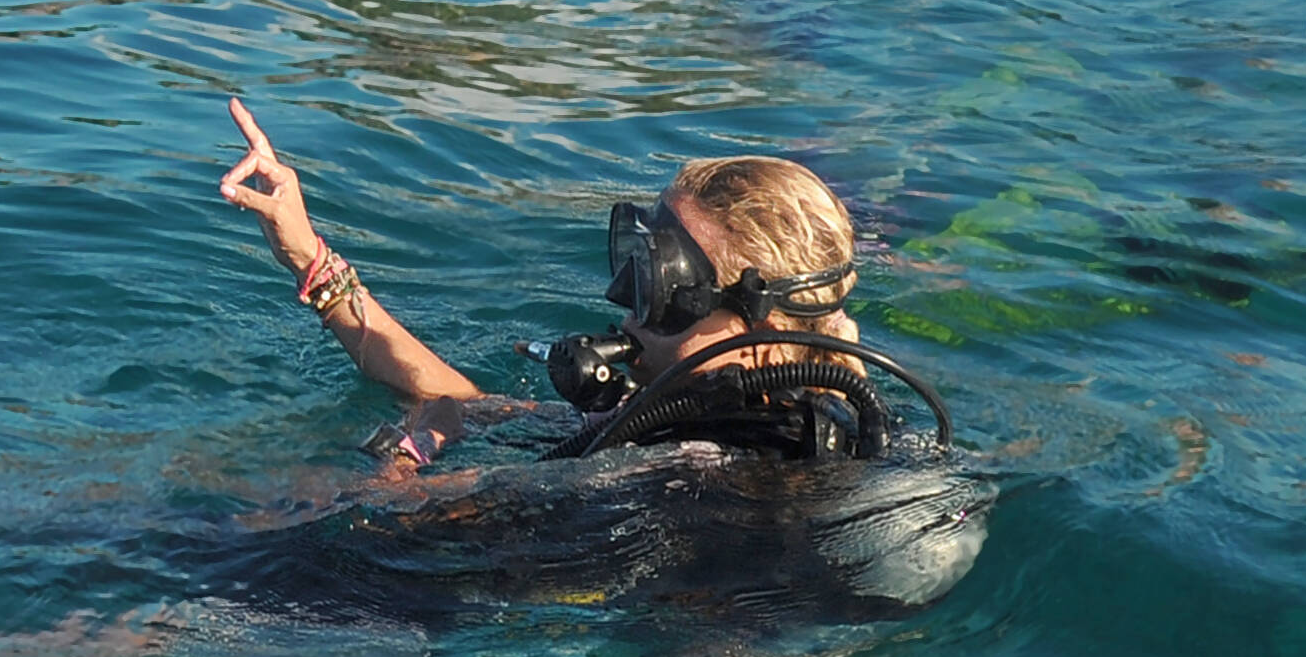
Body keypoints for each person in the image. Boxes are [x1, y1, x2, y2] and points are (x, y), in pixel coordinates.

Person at [214, 97, 935, 472]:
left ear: (759, 331)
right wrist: (308, 255)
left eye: (662, 281)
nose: (625, 300)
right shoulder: (726, 410)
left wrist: (400, 461)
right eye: (637, 258)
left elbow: (406, 545)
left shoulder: (699, 473)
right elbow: (462, 404)